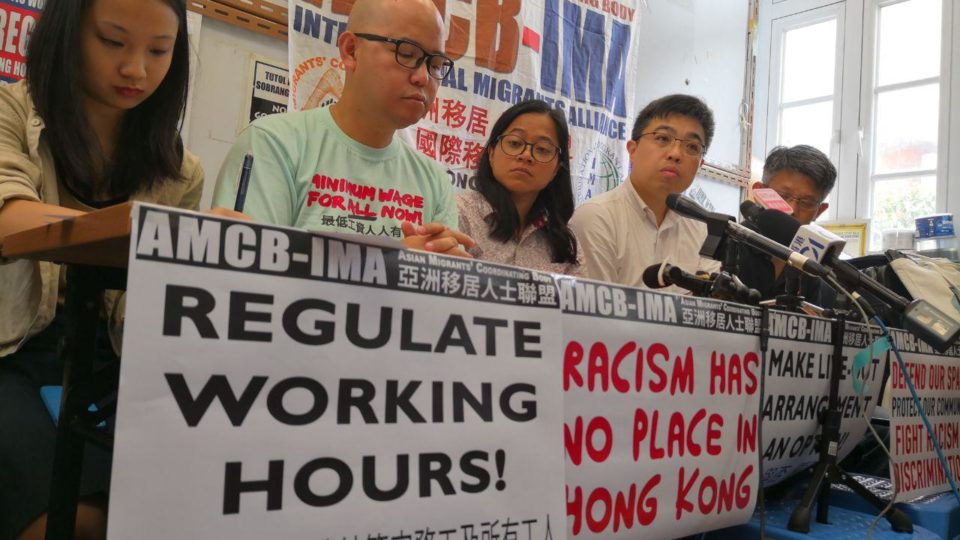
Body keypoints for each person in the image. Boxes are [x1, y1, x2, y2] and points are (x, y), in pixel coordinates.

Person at [0, 1, 239, 538]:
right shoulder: (9, 110)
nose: (137, 69)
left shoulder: (179, 169)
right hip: (12, 349)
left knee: (183, 506)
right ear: (68, 34)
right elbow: (10, 219)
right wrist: (167, 232)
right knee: (68, 519)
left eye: (159, 50)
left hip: (113, 361)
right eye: (113, 42)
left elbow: (153, 311)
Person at [212, 0, 473, 257]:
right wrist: (397, 263)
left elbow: (444, 289)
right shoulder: (274, 144)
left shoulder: (434, 180)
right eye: (406, 54)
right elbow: (248, 272)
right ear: (350, 51)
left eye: (435, 65)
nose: (423, 77)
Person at [568, 94, 720, 290]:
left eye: (692, 146)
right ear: (632, 150)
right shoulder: (596, 217)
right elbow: (596, 313)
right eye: (663, 138)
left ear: (700, 164)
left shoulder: (703, 230)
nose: (676, 154)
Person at [456, 100, 580, 275]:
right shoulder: (460, 213)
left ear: (556, 170)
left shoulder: (563, 239)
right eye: (515, 143)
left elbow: (578, 298)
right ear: (491, 153)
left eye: (542, 149)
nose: (526, 155)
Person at [736, 144, 837, 302]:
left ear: (820, 211)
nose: (791, 209)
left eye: (806, 203)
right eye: (783, 196)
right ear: (759, 192)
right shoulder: (732, 240)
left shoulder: (812, 260)